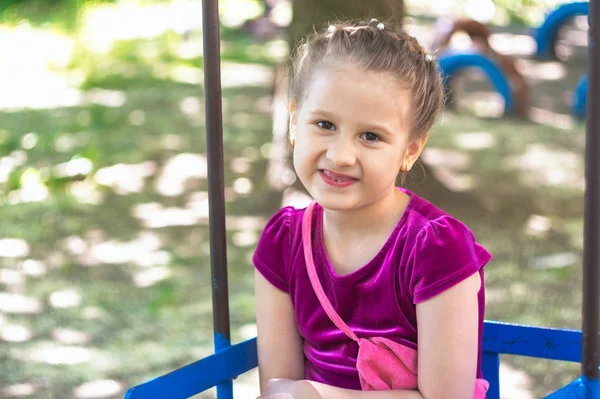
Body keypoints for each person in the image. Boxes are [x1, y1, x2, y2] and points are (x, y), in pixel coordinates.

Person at [253, 19, 492, 399]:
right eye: (325, 124)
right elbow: (278, 385)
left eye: (370, 136)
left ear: (410, 150)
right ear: (295, 120)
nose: (340, 155)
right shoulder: (284, 241)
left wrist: (317, 396)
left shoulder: (435, 249)